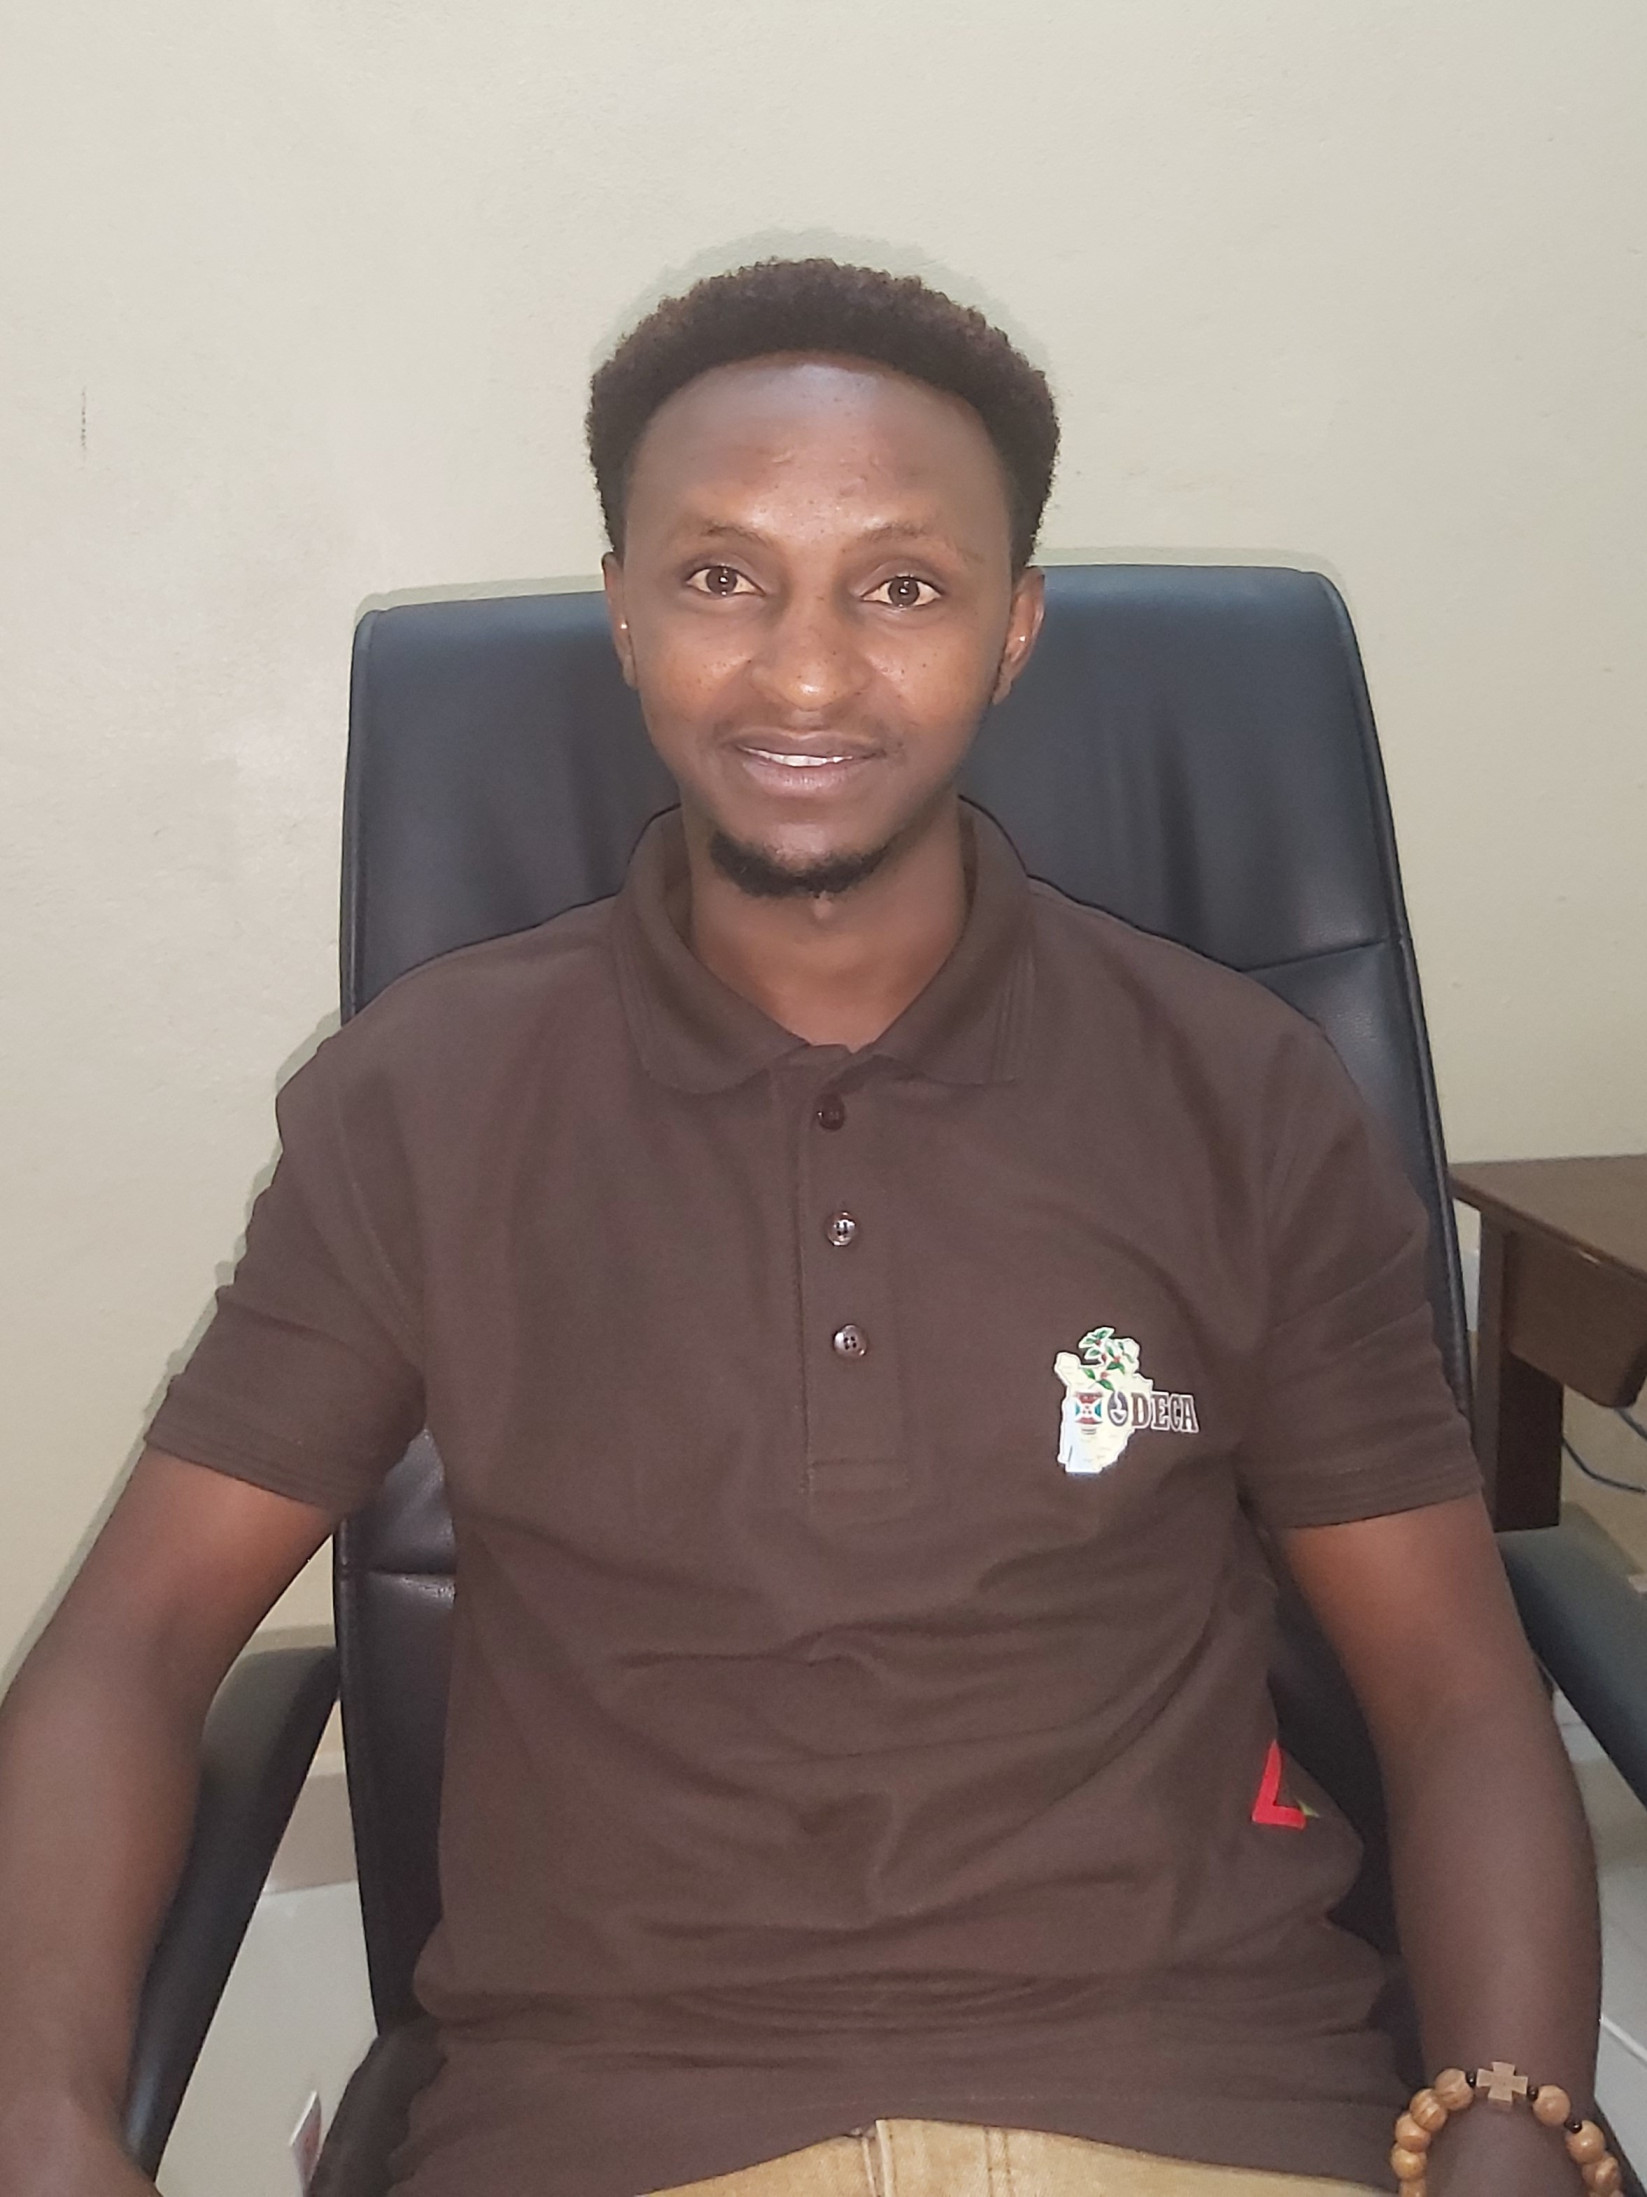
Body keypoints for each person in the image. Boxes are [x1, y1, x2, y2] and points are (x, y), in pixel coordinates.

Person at [0, 259, 1602, 2197]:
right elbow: (134, 1642)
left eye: (900, 586)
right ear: (623, 610)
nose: (808, 672)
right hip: (612, 2130)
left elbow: (1451, 1689)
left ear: (1011, 631)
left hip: (1202, 2102)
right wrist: (46, 2119)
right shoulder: (424, 1100)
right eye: (721, 576)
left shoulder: (1235, 1087)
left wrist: (1514, 2118)